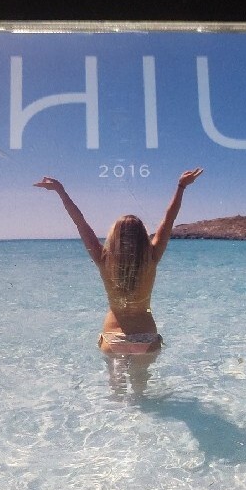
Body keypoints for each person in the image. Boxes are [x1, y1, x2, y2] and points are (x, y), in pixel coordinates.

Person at [34, 168, 203, 392]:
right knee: (141, 393)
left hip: (113, 339)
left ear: (114, 236)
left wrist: (61, 191)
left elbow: (80, 223)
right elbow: (169, 219)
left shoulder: (103, 258)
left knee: (117, 396)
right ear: (142, 237)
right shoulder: (152, 257)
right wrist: (181, 187)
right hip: (147, 339)